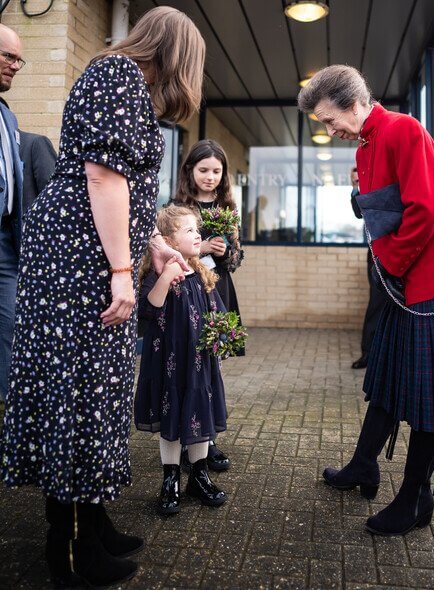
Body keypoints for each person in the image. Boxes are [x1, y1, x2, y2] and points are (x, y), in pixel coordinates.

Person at [1, 7, 205, 587]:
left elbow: (126, 189)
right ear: (175, 54)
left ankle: (92, 521)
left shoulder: (121, 80)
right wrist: (122, 269)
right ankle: (64, 546)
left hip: (86, 257)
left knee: (95, 393)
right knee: (77, 392)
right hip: (77, 264)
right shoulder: (118, 77)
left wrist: (154, 249)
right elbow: (103, 179)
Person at [298, 65, 434, 536]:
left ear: (354, 104)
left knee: (432, 398)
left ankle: (414, 498)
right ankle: (364, 465)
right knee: (386, 376)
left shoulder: (403, 130)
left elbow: (427, 210)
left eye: (329, 121)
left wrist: (389, 264)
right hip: (407, 281)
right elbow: (382, 212)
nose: (331, 131)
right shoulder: (366, 144)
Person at [135, 205, 228, 514]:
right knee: (172, 417)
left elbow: (217, 309)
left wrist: (223, 334)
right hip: (169, 363)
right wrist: (167, 277)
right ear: (169, 240)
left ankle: (198, 476)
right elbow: (148, 311)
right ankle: (170, 479)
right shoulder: (157, 270)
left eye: (196, 230)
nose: (197, 234)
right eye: (189, 230)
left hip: (200, 361)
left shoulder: (200, 269)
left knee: (200, 414)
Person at [172, 139, 245, 472]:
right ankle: (188, 440)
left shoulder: (226, 207)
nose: (211, 177)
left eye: (217, 171)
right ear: (190, 170)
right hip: (188, 294)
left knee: (212, 367)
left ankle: (206, 440)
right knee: (190, 366)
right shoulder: (178, 208)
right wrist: (200, 250)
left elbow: (235, 260)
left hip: (219, 293)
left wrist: (223, 252)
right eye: (204, 170)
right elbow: (170, 255)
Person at [0, 26, 25, 404]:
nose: (16, 65)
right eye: (9, 56)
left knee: (11, 339)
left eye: (19, 58)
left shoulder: (8, 118)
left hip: (7, 247)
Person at [350, 165, 388, 370]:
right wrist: (357, 188)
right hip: (375, 254)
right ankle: (368, 352)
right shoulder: (361, 192)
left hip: (393, 250)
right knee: (376, 303)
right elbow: (358, 212)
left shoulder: (381, 186)